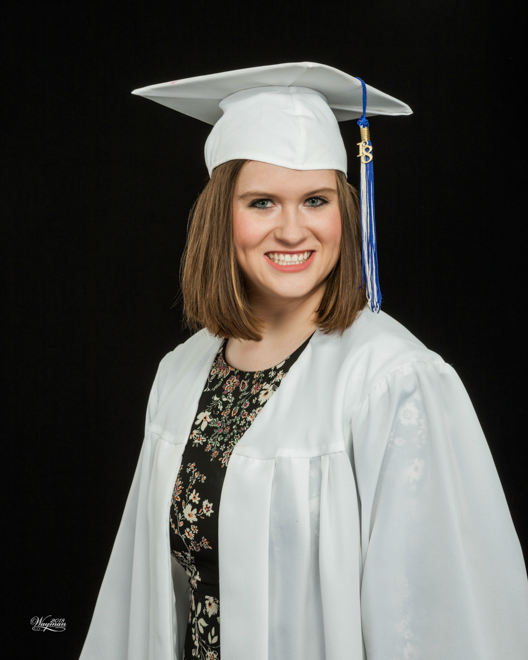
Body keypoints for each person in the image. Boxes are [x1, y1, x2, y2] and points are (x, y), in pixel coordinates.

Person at [79, 62, 528, 660]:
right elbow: (143, 593)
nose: (293, 231)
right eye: (262, 202)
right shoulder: (182, 372)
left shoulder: (393, 381)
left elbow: (436, 612)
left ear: (344, 211)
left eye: (316, 200)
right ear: (221, 218)